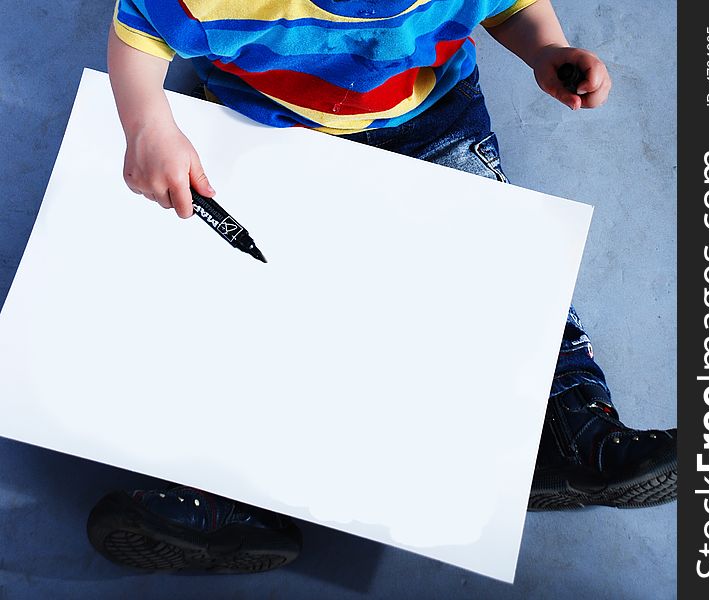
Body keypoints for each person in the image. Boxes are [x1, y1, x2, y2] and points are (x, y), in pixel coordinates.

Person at [88, 0, 677, 573]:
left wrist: (546, 47)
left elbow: (512, 3)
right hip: (266, 126)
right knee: (261, 312)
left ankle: (572, 422)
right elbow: (139, 30)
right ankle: (224, 489)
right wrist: (148, 125)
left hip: (434, 112)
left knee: (502, 269)